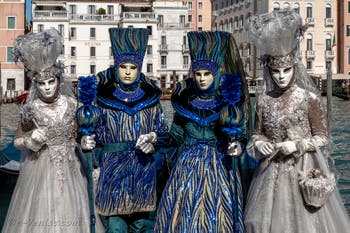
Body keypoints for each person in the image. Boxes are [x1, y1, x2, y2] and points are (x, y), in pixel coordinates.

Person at [244, 9, 350, 233]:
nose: (281, 76)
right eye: (275, 71)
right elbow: (256, 134)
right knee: (259, 222)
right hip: (270, 172)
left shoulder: (308, 98)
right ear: (269, 71)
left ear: (294, 68)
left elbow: (322, 137)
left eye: (286, 70)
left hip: (304, 168)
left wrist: (298, 144)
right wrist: (259, 143)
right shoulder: (263, 101)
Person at [137, 31, 252, 233]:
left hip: (220, 169)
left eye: (207, 74)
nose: (201, 79)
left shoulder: (229, 104)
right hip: (186, 169)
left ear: (215, 74)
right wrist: (154, 137)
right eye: (198, 74)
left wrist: (238, 146)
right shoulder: (185, 101)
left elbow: (242, 135)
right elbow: (175, 136)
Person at [1, 29, 95, 233]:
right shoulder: (30, 109)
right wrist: (29, 140)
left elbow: (77, 134)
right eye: (41, 84)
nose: (46, 88)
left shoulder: (72, 104)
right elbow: (18, 140)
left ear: (59, 81)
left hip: (72, 171)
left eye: (51, 82)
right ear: (35, 84)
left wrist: (85, 141)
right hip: (41, 171)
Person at [78, 27, 168, 233]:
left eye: (133, 67)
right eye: (123, 67)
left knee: (142, 226)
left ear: (139, 69)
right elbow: (92, 133)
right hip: (112, 175)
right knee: (115, 227)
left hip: (143, 173)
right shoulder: (102, 99)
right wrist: (86, 140)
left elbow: (164, 133)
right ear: (116, 67)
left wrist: (153, 139)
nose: (127, 72)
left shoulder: (151, 100)